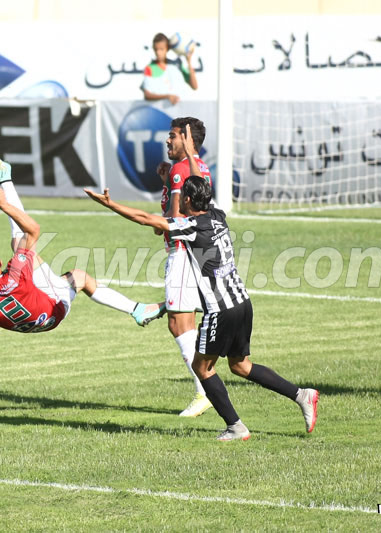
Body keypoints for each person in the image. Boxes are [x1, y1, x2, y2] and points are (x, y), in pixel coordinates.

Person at [84, 129, 319, 441]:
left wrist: (110, 204)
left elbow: (145, 219)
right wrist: (193, 154)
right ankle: (302, 395)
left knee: (203, 368)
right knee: (241, 366)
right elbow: (200, 183)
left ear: (190, 202)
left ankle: (236, 426)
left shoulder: (190, 227)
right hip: (243, 303)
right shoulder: (218, 214)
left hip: (220, 310)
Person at [0, 157, 165, 410]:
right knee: (76, 275)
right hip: (54, 310)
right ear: (0, 264)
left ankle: (5, 176)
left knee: (26, 247)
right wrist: (2, 204)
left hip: (33, 320)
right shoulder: (15, 272)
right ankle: (137, 310)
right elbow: (34, 229)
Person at [157, 117, 214, 418]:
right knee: (185, 322)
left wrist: (159, 221)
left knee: (179, 323)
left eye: (173, 136)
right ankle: (207, 388)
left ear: (188, 140)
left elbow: (176, 215)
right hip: (196, 250)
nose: (168, 141)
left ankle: (205, 390)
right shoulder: (200, 167)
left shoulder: (181, 170)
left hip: (181, 251)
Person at [141, 32, 198, 105]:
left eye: (161, 49)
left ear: (167, 49)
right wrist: (168, 96)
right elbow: (147, 95)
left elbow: (194, 86)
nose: (158, 52)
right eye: (156, 49)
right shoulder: (150, 68)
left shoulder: (177, 64)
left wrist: (189, 62)